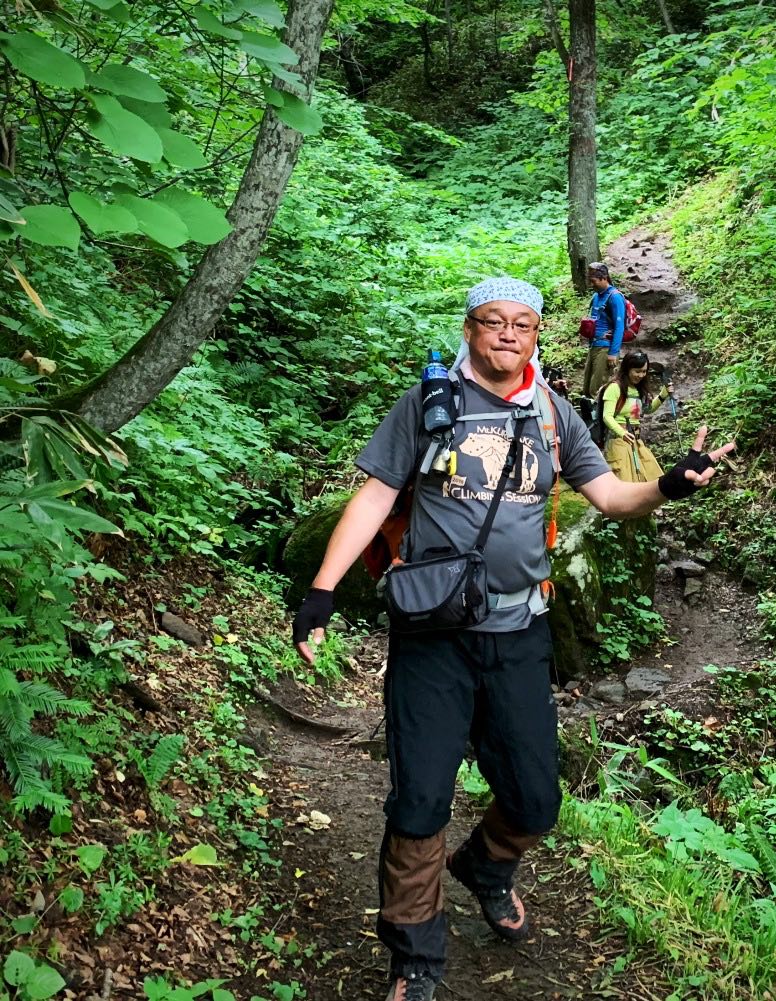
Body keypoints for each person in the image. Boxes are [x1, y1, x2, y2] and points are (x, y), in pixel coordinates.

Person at [290, 277, 733, 1001]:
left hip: (520, 629)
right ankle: (416, 959)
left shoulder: (555, 414)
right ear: (470, 329)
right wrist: (322, 588)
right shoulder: (429, 404)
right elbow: (373, 494)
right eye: (492, 321)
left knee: (535, 800)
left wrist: (671, 485)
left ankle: (486, 867)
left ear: (535, 335)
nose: (507, 333)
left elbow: (613, 499)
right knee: (418, 802)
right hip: (433, 635)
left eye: (522, 324)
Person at [601, 350, 674, 483]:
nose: (641, 375)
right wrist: (622, 433)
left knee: (651, 476)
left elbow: (648, 408)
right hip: (618, 441)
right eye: (637, 371)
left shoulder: (639, 390)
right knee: (624, 482)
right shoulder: (614, 388)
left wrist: (663, 395)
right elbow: (607, 416)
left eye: (644, 371)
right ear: (628, 369)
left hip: (636, 440)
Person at [579, 262, 625, 399]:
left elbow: (619, 326)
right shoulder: (596, 296)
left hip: (605, 348)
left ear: (604, 278)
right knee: (587, 389)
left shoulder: (615, 297)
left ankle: (602, 418)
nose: (591, 285)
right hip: (594, 346)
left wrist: (613, 353)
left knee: (597, 390)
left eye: (593, 281)